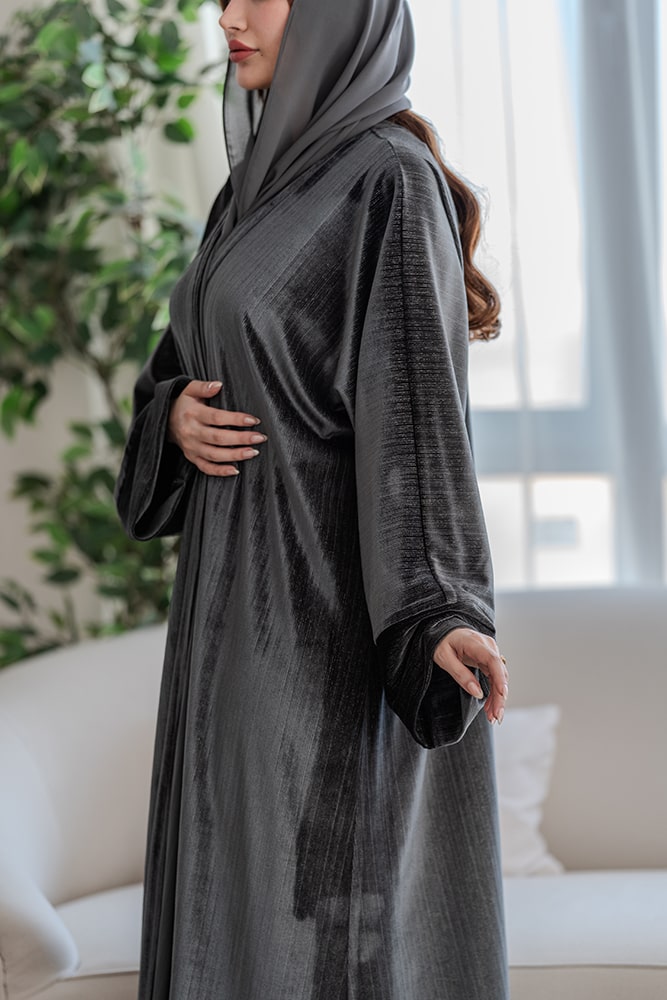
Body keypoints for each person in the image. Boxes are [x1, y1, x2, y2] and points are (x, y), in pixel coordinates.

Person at [115, 0, 510, 997]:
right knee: (231, 918)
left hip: (323, 641)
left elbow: (417, 418)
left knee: (326, 941)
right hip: (225, 637)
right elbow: (187, 359)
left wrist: (440, 613)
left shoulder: (388, 181)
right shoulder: (255, 187)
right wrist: (172, 417)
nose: (227, 16)